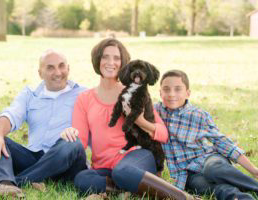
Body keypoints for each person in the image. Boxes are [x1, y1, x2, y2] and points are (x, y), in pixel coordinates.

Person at [61, 38, 196, 200]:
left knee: (122, 171)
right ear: (98, 60)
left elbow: (163, 133)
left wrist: (141, 122)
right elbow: (81, 142)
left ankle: (185, 198)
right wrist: (69, 134)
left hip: (137, 157)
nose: (111, 62)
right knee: (82, 179)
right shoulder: (85, 98)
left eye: (116, 58)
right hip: (103, 166)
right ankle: (127, 189)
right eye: (105, 57)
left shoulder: (135, 93)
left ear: (123, 63)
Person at [0, 49, 87, 199]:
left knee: (72, 142)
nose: (58, 72)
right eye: (50, 67)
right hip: (34, 159)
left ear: (68, 68)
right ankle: (7, 182)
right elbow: (10, 114)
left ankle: (13, 183)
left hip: (67, 162)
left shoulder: (84, 94)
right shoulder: (30, 94)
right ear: (40, 73)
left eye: (61, 66)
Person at [154, 69, 258, 200]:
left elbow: (223, 143)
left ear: (188, 93)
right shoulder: (155, 112)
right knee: (216, 189)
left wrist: (253, 170)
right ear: (160, 93)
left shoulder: (198, 115)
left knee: (214, 170)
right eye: (166, 89)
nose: (171, 94)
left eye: (178, 89)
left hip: (208, 159)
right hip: (187, 175)